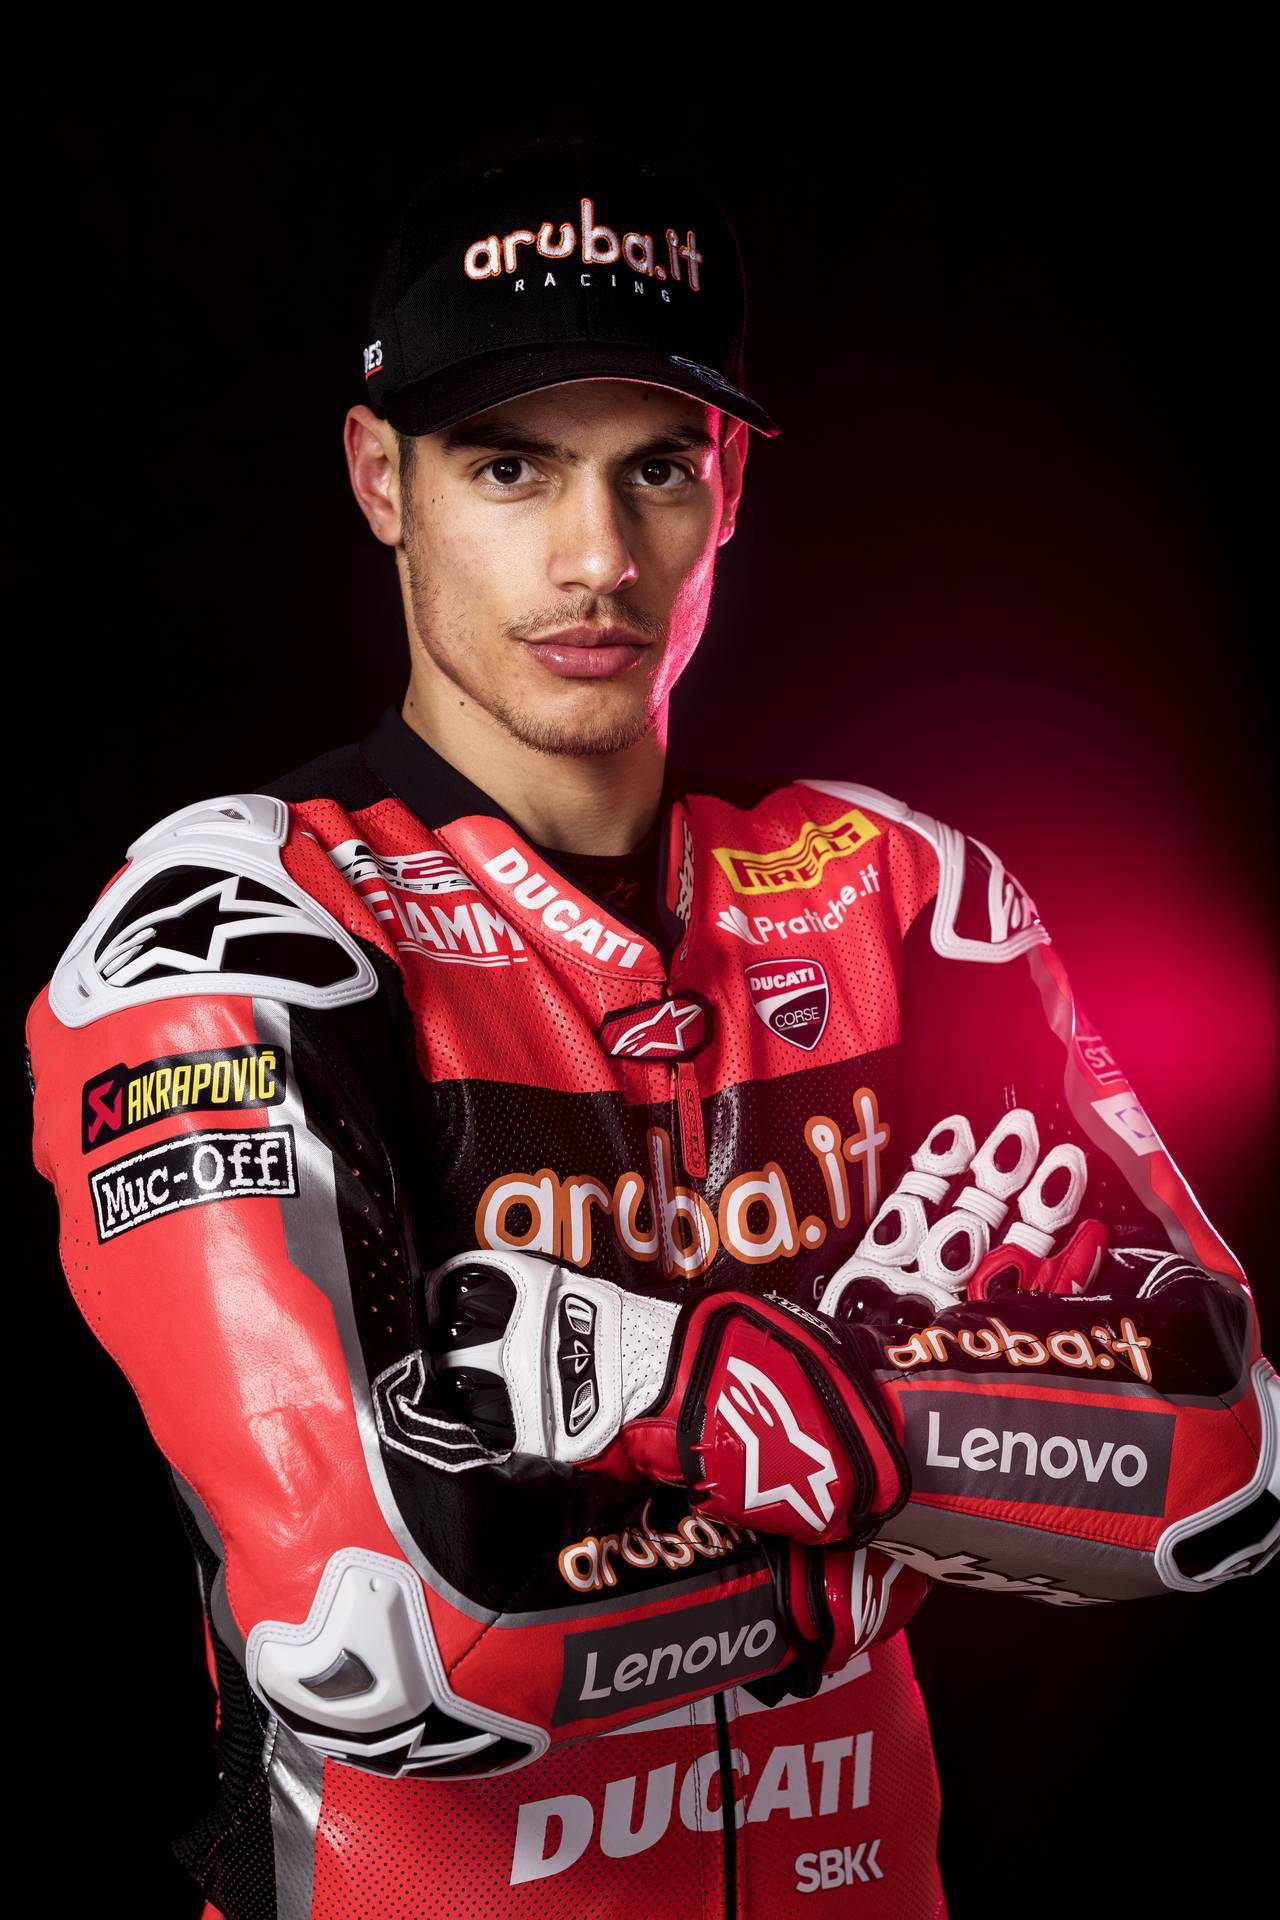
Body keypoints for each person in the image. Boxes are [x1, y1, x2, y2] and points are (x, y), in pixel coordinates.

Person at [24, 136, 1277, 1920]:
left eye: (658, 468)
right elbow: (389, 1627)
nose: (599, 556)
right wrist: (899, 1478)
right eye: (511, 466)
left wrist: (693, 1400)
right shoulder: (234, 931)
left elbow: (1220, 1457)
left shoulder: (905, 899)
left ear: (732, 486)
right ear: (380, 478)